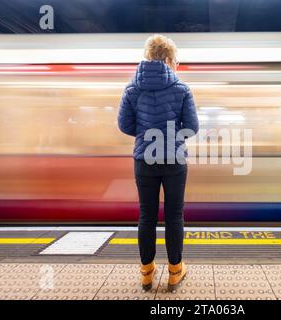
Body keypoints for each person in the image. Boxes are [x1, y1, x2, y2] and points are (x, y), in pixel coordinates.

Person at [117, 34, 199, 292]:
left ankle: (146, 273)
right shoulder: (182, 89)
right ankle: (175, 272)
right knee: (174, 217)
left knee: (146, 216)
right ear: (166, 59)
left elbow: (124, 125)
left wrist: (146, 135)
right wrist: (171, 136)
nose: (176, 65)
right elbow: (193, 128)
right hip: (174, 160)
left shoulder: (132, 89)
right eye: (175, 60)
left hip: (144, 161)